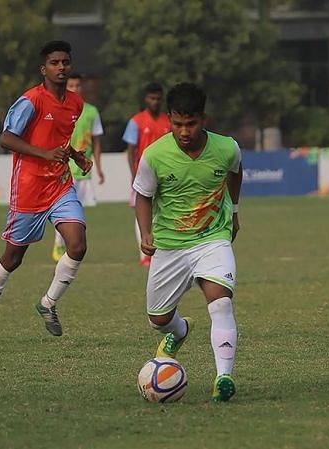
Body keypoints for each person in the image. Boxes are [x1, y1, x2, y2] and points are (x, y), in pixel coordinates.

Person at [0, 40, 92, 347]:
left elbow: (60, 142)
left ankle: (48, 303)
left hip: (60, 186)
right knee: (13, 258)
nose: (61, 67)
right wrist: (44, 154)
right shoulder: (30, 102)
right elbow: (6, 138)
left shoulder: (76, 103)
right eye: (54, 63)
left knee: (77, 245)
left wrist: (75, 156)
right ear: (44, 69)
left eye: (65, 62)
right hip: (29, 190)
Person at [132, 82, 242, 402]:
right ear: (169, 119)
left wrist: (233, 211)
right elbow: (142, 195)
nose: (184, 131)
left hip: (212, 238)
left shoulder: (227, 148)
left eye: (191, 123)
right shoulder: (154, 155)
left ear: (202, 119)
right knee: (158, 320)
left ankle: (224, 377)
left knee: (220, 302)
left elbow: (236, 171)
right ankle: (179, 331)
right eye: (177, 124)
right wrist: (146, 232)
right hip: (170, 245)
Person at [52, 73, 105, 262]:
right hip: (65, 170)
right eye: (71, 85)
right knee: (66, 210)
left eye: (77, 85)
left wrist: (99, 168)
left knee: (78, 212)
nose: (74, 88)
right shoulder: (61, 109)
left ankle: (69, 245)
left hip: (84, 171)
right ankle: (59, 244)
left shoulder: (91, 112)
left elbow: (97, 142)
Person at [123, 82, 171, 266]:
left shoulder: (168, 121)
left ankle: (162, 251)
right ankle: (144, 254)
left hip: (166, 175)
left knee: (162, 213)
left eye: (158, 99)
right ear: (146, 99)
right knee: (141, 211)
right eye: (152, 98)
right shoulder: (136, 121)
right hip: (144, 174)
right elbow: (130, 150)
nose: (155, 102)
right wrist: (133, 174)